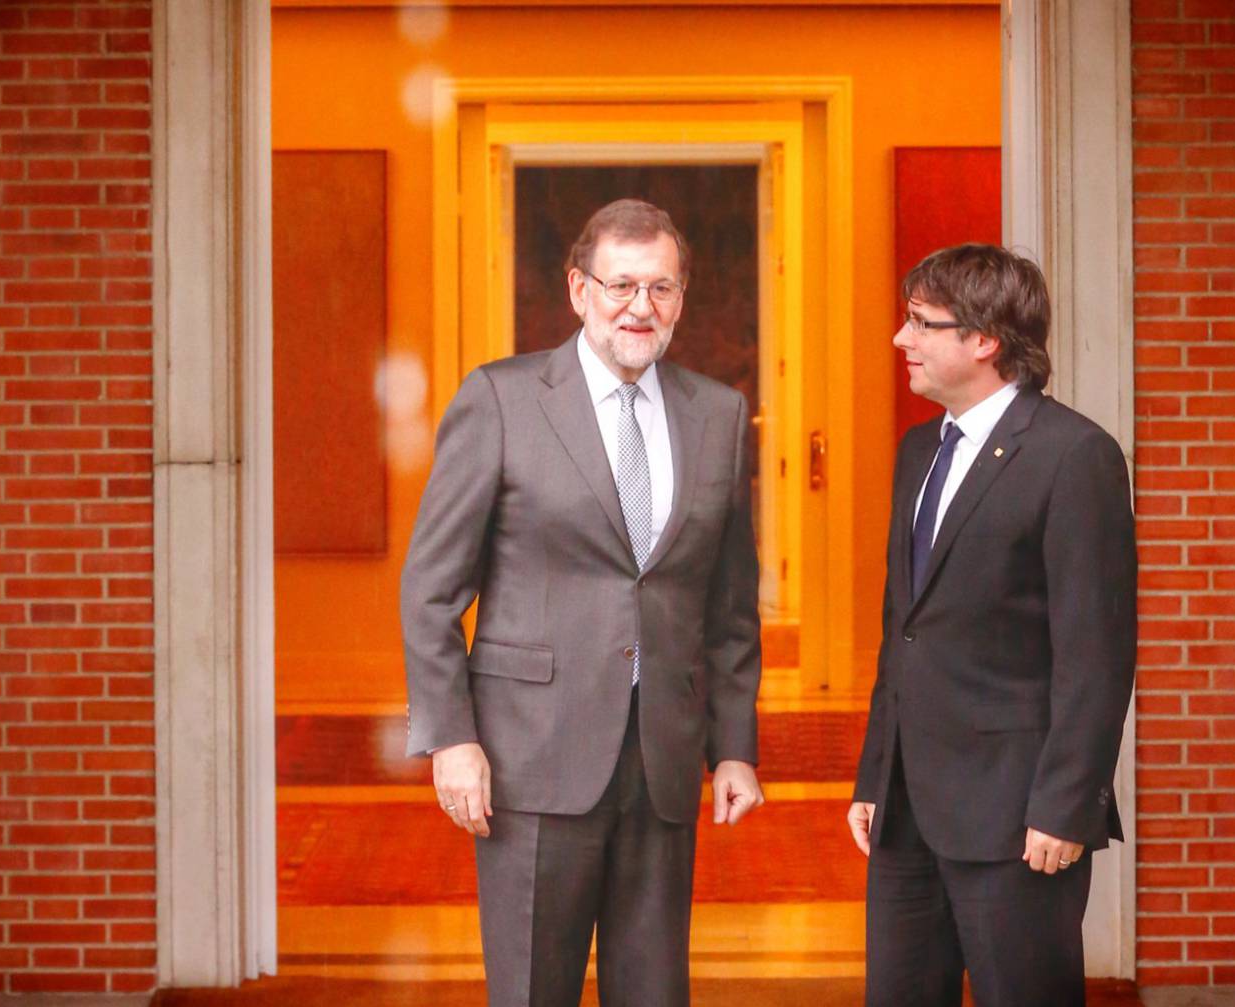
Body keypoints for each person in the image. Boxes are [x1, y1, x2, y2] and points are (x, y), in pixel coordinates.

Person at [401, 198, 764, 1006]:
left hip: (663, 762)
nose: (641, 307)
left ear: (680, 298)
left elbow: (731, 607)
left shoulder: (720, 415)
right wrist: (451, 737)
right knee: (535, 990)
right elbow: (430, 590)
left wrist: (734, 746)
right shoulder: (501, 399)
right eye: (621, 285)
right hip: (530, 760)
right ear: (578, 290)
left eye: (662, 288)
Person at [848, 243, 1136, 1006]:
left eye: (920, 323)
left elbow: (1096, 653)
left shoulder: (1075, 457)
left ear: (985, 341)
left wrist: (1067, 805)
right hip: (906, 813)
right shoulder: (918, 450)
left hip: (1018, 820)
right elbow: (901, 628)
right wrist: (876, 773)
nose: (901, 339)